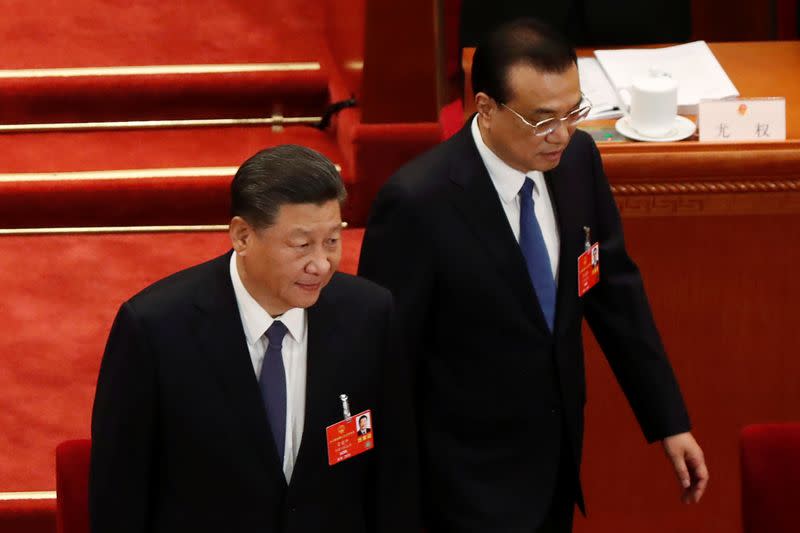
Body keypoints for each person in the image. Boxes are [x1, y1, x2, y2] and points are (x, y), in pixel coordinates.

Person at [358, 19, 708, 533]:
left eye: (574, 112)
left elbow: (614, 292)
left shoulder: (578, 161)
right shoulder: (417, 204)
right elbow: (386, 363)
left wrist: (668, 420)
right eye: (543, 120)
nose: (563, 134)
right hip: (460, 486)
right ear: (486, 108)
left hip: (555, 466)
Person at [90, 145, 418, 533]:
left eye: (332, 241)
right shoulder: (154, 329)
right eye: (301, 245)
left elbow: (395, 476)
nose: (321, 263)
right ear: (242, 236)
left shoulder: (369, 315)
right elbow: (119, 494)